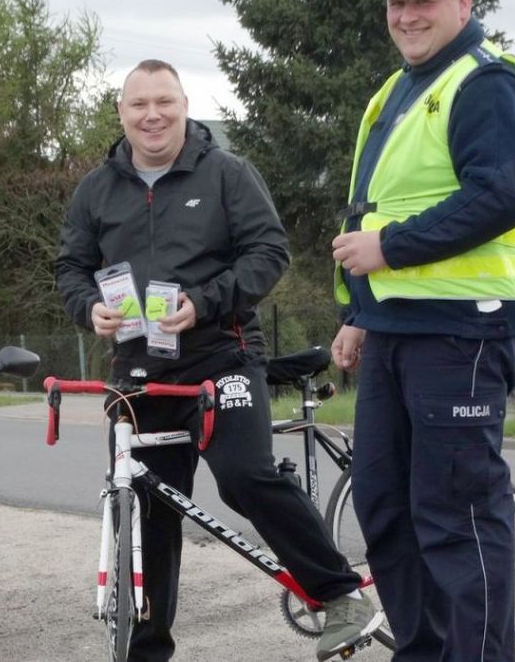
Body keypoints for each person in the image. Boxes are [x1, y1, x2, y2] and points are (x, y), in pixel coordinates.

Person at [57, 59, 382, 661]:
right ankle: (146, 653)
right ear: (122, 113)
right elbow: (71, 268)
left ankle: (339, 595)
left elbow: (269, 252)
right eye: (139, 105)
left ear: (185, 107)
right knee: (146, 510)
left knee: (243, 475)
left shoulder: (228, 173)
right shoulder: (96, 189)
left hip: (221, 355)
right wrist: (87, 309)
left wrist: (202, 302)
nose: (152, 115)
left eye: (165, 103)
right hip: (137, 371)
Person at [330, 0, 515, 661]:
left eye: (424, 0)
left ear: (464, 2)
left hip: (463, 333)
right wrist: (359, 313)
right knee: (385, 507)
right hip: (395, 330)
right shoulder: (399, 90)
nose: (408, 15)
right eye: (397, 3)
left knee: (455, 516)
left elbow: (502, 195)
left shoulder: (486, 84)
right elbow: (377, 204)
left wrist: (388, 248)